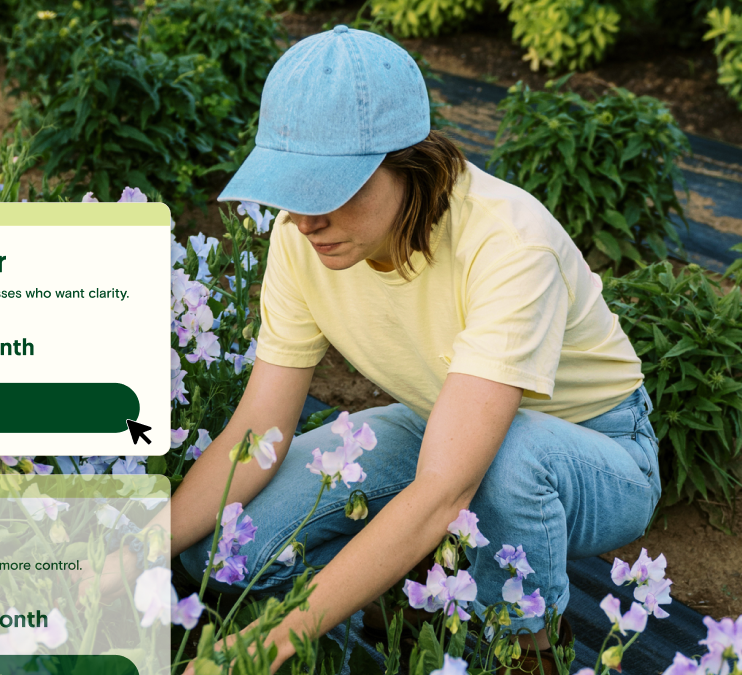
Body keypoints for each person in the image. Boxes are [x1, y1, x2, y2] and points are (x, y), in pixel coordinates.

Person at [94, 25, 660, 674]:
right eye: (292, 189)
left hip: (597, 451)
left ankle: (530, 650)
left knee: (500, 461)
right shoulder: (300, 240)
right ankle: (415, 571)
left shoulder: (507, 242)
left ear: (406, 161)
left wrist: (262, 645)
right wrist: (127, 554)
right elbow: (258, 429)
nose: (308, 220)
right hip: (439, 420)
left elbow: (448, 487)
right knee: (228, 550)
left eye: (331, 189)